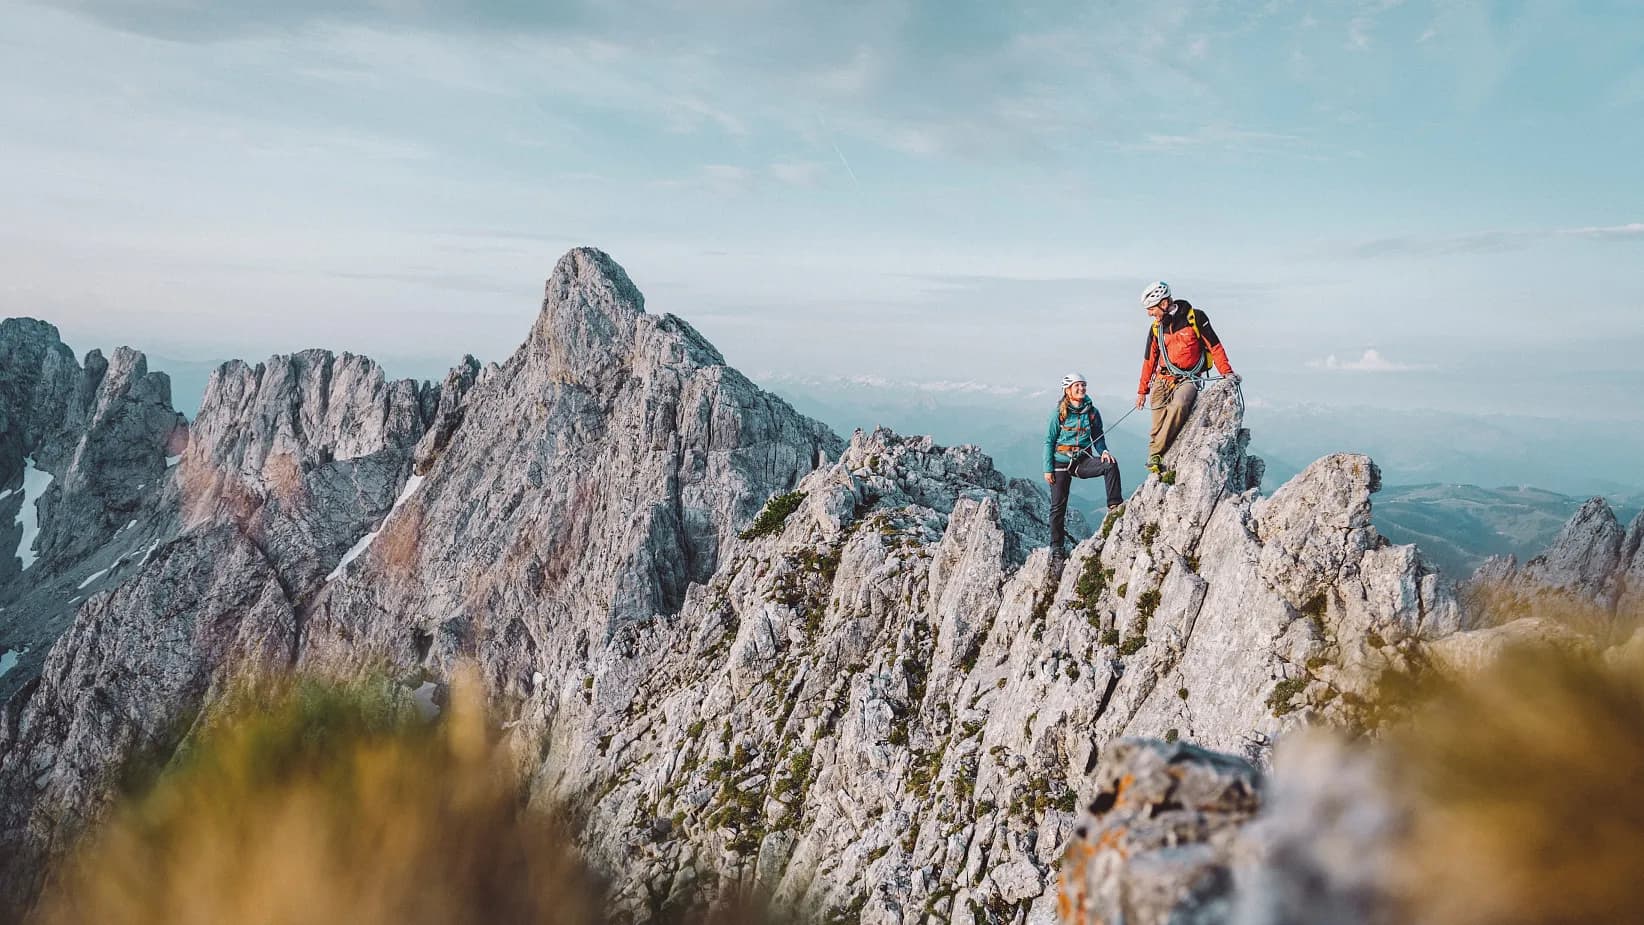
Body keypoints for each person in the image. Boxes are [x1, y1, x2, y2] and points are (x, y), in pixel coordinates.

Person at [1134, 281, 1238, 474]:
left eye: (1151, 309)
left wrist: (1227, 373)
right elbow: (1149, 360)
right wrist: (1142, 391)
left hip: (1188, 378)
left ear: (1164, 304)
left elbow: (1214, 346)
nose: (1149, 314)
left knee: (1180, 405)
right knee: (1157, 422)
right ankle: (1158, 457)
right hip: (1163, 379)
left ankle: (1155, 454)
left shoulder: (1195, 318)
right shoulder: (1157, 328)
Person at [1044, 372, 1124, 561]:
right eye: (1077, 386)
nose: (1081, 388)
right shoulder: (1058, 413)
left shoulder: (1092, 412)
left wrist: (1103, 451)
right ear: (1068, 390)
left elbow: (1098, 436)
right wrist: (1048, 469)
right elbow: (1049, 441)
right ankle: (1057, 547)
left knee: (1110, 465)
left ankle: (1115, 506)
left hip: (1081, 461)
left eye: (1083, 385)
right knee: (1058, 506)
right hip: (1060, 462)